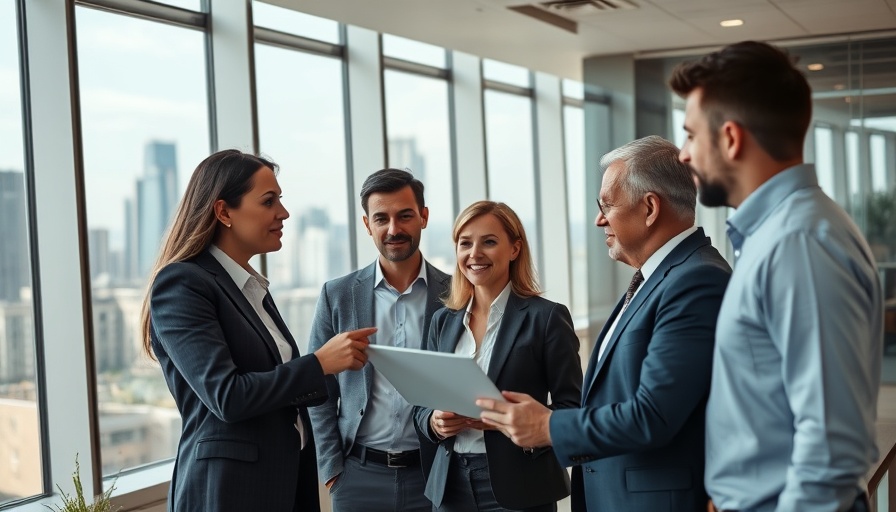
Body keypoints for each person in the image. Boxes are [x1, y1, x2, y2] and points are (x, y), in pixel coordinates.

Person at [670, 40, 882, 512]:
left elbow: (830, 451)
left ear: (730, 138)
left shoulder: (798, 244)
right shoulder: (779, 235)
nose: (683, 155)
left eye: (690, 135)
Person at [478, 136, 731, 512]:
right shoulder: (659, 278)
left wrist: (547, 426)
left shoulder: (695, 281)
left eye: (607, 205)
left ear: (649, 208)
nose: (599, 220)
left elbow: (654, 414)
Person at [141, 149, 371, 512]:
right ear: (223, 212)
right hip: (229, 492)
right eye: (268, 201)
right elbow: (227, 397)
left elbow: (278, 387)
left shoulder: (249, 287)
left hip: (283, 484)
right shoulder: (183, 283)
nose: (284, 212)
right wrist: (319, 363)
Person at [414, 200, 583, 512]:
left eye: (489, 242)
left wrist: (507, 421)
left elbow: (572, 409)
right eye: (465, 243)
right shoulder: (443, 320)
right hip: (451, 486)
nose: (475, 254)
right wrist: (435, 422)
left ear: (515, 249)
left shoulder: (547, 318)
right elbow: (421, 405)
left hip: (521, 485)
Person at [307, 168, 451, 512]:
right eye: (381, 218)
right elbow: (317, 389)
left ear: (424, 216)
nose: (393, 229)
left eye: (405, 216)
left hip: (434, 475)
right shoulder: (337, 295)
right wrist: (331, 468)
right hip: (357, 477)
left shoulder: (456, 295)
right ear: (367, 224)